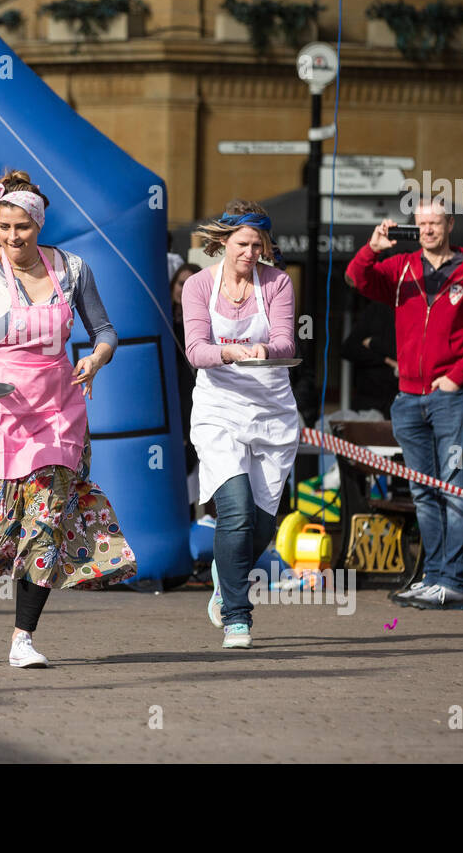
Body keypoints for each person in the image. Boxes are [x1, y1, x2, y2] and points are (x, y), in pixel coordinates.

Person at [0, 168, 136, 668]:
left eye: (23, 228)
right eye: (5, 227)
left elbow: (106, 330)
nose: (13, 237)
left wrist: (95, 359)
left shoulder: (73, 269)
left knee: (44, 526)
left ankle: (23, 639)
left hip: (57, 408)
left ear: (39, 225)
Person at [346, 199, 463, 611]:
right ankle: (433, 576)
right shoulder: (402, 268)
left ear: (450, 224)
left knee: (455, 485)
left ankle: (453, 580)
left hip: (451, 395)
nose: (428, 230)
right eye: (421, 224)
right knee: (423, 490)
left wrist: (455, 378)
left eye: (435, 223)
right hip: (409, 397)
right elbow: (357, 278)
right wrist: (374, 247)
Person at [182, 201, 299, 649]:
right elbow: (196, 351)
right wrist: (233, 352)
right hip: (218, 410)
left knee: (261, 526)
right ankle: (237, 616)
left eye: (258, 245)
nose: (251, 253)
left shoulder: (278, 283)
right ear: (222, 244)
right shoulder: (197, 286)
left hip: (272, 411)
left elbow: (286, 338)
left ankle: (224, 576)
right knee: (234, 508)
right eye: (242, 244)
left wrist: (265, 351)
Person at [171, 263, 202, 511]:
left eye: (191, 284)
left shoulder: (205, 321)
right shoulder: (162, 318)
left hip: (196, 395)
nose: (184, 290)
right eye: (181, 284)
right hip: (172, 396)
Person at [339, 297, 397, 415]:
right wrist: (385, 359)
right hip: (368, 400)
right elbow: (349, 349)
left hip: (399, 400)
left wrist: (373, 343)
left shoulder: (416, 311)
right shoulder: (377, 308)